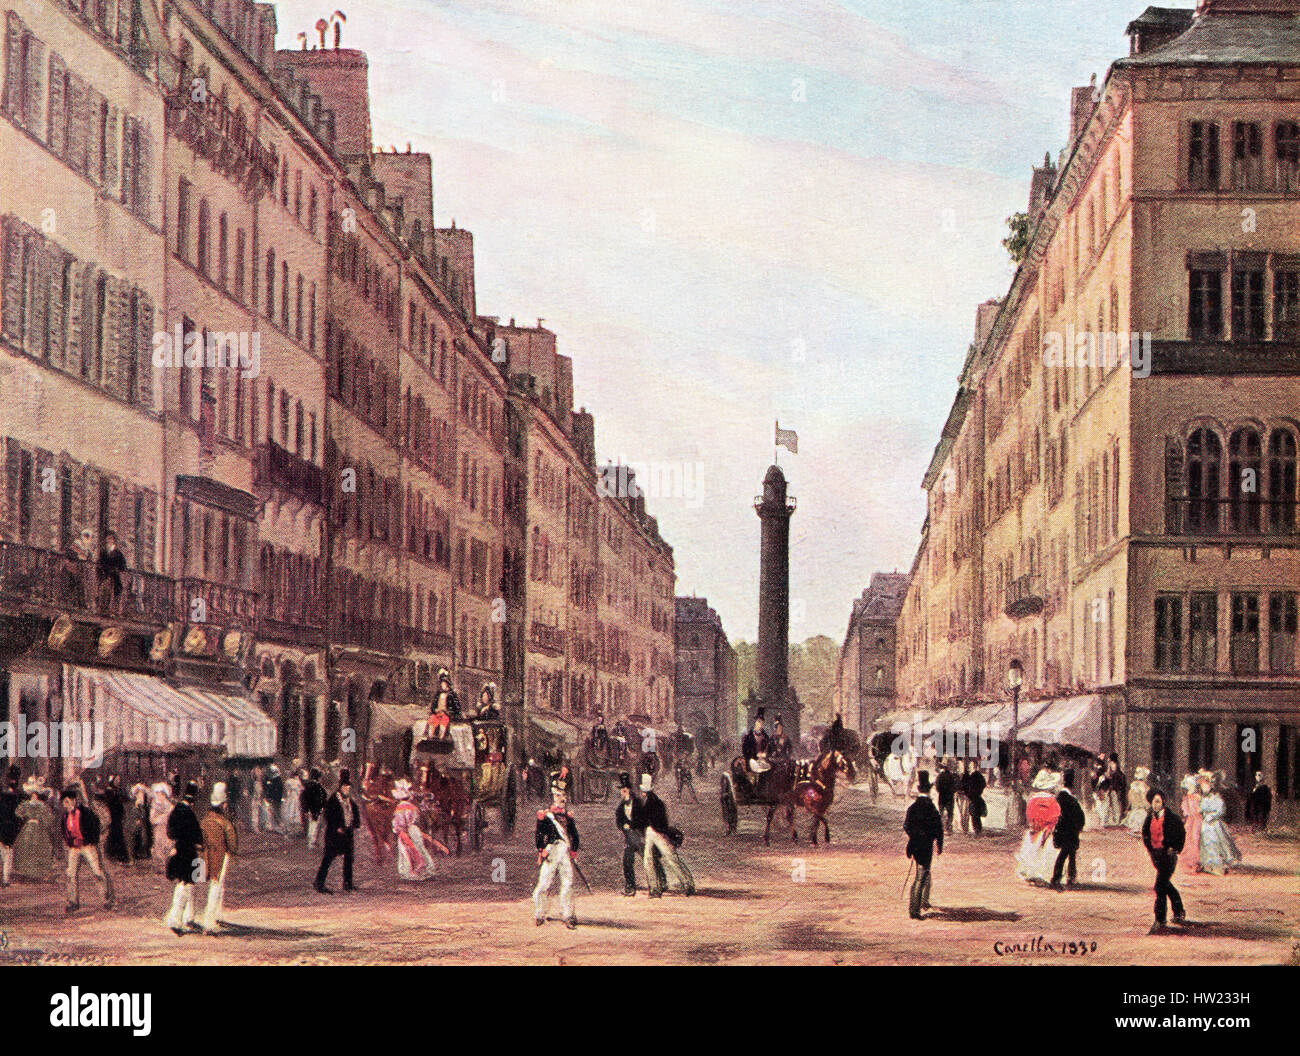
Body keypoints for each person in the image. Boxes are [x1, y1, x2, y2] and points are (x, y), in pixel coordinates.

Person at [533, 772, 580, 928]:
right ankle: (540, 913)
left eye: (564, 795)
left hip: (565, 852)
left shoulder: (568, 817)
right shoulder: (546, 817)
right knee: (544, 883)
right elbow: (539, 835)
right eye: (559, 795)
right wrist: (541, 850)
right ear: (553, 797)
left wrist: (574, 850)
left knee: (568, 882)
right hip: (552, 851)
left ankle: (568, 914)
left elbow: (574, 835)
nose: (563, 799)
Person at [60, 786, 115, 912]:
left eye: (67, 801)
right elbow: (64, 831)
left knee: (97, 872)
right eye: (64, 802)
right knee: (70, 874)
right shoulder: (65, 817)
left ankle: (106, 899)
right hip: (74, 848)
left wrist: (90, 842)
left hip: (87, 846)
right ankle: (73, 901)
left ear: (74, 801)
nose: (65, 805)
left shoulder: (85, 813)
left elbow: (95, 827)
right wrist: (70, 842)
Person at [640, 773, 693, 897]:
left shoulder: (653, 803)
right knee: (656, 859)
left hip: (657, 832)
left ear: (645, 791)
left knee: (667, 859)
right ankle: (657, 888)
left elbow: (655, 822)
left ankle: (657, 888)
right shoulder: (654, 801)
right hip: (652, 832)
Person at [1141, 788, 1186, 934]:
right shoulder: (1149, 817)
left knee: (1159, 886)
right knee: (1165, 884)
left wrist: (1174, 848)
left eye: (1158, 802)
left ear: (1163, 802)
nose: (1155, 805)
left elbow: (1181, 833)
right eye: (1153, 802)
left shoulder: (1171, 818)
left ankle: (1160, 920)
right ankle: (1179, 910)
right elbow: (1145, 833)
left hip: (1168, 856)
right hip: (1157, 856)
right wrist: (1150, 849)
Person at [615, 773, 665, 896]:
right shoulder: (621, 807)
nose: (623, 793)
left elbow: (644, 819)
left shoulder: (638, 803)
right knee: (627, 860)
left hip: (640, 836)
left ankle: (661, 881)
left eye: (625, 790)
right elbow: (619, 821)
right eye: (622, 790)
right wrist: (624, 826)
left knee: (650, 860)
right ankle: (630, 886)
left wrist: (633, 825)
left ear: (630, 790)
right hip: (630, 838)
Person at [164, 781, 204, 935]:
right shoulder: (188, 813)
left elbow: (170, 833)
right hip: (187, 852)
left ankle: (188, 917)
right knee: (186, 884)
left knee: (188, 885)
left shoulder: (175, 811)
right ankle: (175, 920)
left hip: (180, 849)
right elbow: (196, 835)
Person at [199, 782, 238, 935]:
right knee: (217, 886)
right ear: (223, 805)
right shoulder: (225, 823)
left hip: (204, 856)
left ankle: (203, 916)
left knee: (201, 885)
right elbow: (232, 844)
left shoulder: (204, 821)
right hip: (220, 856)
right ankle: (210, 920)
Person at [904, 771, 944, 920]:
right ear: (929, 790)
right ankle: (914, 910)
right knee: (921, 876)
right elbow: (938, 829)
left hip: (915, 845)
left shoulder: (912, 808)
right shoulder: (931, 808)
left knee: (923, 873)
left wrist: (913, 837)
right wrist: (938, 843)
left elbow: (906, 826)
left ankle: (923, 902)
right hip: (926, 846)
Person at [315, 769, 361, 893]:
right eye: (345, 787)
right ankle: (319, 883)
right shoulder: (333, 800)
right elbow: (328, 816)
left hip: (347, 833)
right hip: (334, 835)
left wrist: (354, 824)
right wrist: (337, 827)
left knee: (349, 859)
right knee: (328, 858)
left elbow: (354, 813)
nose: (347, 790)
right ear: (340, 787)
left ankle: (348, 883)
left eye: (348, 788)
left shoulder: (350, 801)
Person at [1015, 769, 1062, 884]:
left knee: (1031, 851)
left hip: (1034, 831)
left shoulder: (1032, 800)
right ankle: (1044, 875)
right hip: (1047, 832)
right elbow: (1055, 818)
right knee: (1046, 854)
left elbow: (1029, 816)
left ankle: (1030, 873)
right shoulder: (1053, 802)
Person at [390, 778, 436, 881]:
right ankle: (427, 870)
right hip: (414, 829)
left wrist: (397, 830)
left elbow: (398, 823)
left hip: (404, 831)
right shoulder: (413, 807)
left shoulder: (399, 808)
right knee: (419, 848)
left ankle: (407, 871)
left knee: (405, 851)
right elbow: (416, 819)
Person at [1197, 772, 1241, 875]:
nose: (1204, 789)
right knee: (1205, 843)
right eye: (1202, 787)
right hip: (1205, 824)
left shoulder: (1216, 798)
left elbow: (1221, 810)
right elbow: (1200, 809)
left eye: (1206, 786)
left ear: (1210, 786)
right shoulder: (1202, 799)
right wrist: (1202, 814)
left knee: (1218, 842)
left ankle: (1220, 863)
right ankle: (1207, 863)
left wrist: (1211, 816)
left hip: (1215, 824)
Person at [14, 778, 56, 881]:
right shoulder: (26, 804)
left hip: (38, 829)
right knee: (26, 846)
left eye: (35, 795)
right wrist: (26, 818)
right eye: (32, 795)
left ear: (37, 795)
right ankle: (26, 872)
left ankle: (38, 873)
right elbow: (18, 812)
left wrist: (41, 819)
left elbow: (48, 816)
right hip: (28, 828)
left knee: (40, 847)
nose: (34, 796)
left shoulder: (42, 805)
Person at [1050, 769, 1086, 890]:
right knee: (1066, 854)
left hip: (1066, 831)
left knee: (1069, 854)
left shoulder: (1062, 797)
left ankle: (1069, 878)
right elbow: (1076, 816)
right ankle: (1057, 879)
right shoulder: (1068, 799)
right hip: (1068, 832)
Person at [96, 776, 130, 865]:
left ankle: (116, 856)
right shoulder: (109, 790)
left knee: (116, 836)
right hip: (113, 817)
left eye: (119, 780)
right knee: (117, 836)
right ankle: (121, 858)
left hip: (118, 817)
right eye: (116, 780)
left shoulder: (118, 790)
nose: (118, 781)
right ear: (112, 780)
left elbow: (125, 798)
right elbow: (103, 798)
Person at [96, 530, 127, 615]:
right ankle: (103, 609)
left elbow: (123, 566)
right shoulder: (103, 552)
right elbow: (99, 563)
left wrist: (116, 570)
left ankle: (113, 611)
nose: (108, 541)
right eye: (107, 539)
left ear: (114, 540)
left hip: (114, 576)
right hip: (105, 575)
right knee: (103, 592)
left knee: (115, 593)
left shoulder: (118, 554)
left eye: (110, 539)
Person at [426, 669, 461, 740]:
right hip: (437, 714)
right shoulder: (438, 694)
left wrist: (448, 712)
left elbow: (457, 708)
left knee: (443, 724)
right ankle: (430, 738)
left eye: (444, 684)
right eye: (442, 683)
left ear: (447, 684)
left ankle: (441, 739)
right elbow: (433, 706)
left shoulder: (452, 695)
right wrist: (435, 710)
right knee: (432, 721)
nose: (442, 685)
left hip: (446, 715)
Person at [0, 766, 20, 886]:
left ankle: (5, 879)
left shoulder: (6, 796)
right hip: (8, 827)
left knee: (6, 854)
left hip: (6, 827)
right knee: (7, 855)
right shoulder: (15, 796)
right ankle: (5, 879)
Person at [1097, 753, 1127, 828]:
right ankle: (1109, 821)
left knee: (1113, 805)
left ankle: (1113, 821)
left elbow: (1114, 776)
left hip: (1113, 789)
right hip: (1110, 789)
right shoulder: (1112, 768)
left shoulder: (1115, 769)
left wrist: (1110, 781)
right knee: (1108, 805)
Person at [149, 780, 174, 866]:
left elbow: (172, 816)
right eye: (157, 793)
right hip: (158, 829)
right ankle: (159, 864)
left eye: (161, 794)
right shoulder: (154, 806)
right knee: (158, 844)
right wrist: (163, 817)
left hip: (167, 829)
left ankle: (167, 863)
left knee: (167, 844)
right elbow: (152, 819)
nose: (159, 795)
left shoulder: (169, 805)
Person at [301, 767, 327, 849]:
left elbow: (303, 798)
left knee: (310, 824)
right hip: (316, 808)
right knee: (314, 825)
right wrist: (322, 807)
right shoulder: (319, 787)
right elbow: (323, 798)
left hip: (309, 808)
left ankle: (310, 841)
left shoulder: (307, 786)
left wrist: (305, 809)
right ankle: (311, 842)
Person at [1122, 766, 1151, 834]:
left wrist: (1129, 807)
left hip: (1135, 809)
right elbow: (1144, 799)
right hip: (1140, 810)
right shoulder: (1144, 787)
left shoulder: (1133, 786)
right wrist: (1147, 806)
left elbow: (1130, 798)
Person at [129, 782, 152, 861]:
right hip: (138, 819)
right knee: (137, 835)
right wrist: (137, 818)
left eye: (142, 793)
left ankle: (146, 851)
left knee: (147, 834)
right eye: (139, 793)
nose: (141, 794)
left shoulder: (145, 803)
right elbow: (135, 812)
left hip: (144, 818)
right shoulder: (136, 803)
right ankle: (136, 853)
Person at [935, 760, 957, 834]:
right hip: (950, 796)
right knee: (950, 812)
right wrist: (952, 791)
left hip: (942, 795)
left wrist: (940, 791)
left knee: (941, 811)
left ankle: (941, 827)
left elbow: (937, 786)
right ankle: (948, 827)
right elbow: (955, 787)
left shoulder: (940, 776)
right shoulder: (952, 776)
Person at [263, 763, 285, 834]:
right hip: (274, 798)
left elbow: (279, 790)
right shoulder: (273, 780)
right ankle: (275, 827)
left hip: (276, 798)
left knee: (277, 813)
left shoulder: (277, 780)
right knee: (273, 812)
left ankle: (279, 827)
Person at [283, 764, 303, 834]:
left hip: (291, 796)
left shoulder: (288, 781)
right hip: (295, 796)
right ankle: (293, 828)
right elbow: (300, 789)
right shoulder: (297, 782)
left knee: (291, 809)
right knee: (294, 809)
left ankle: (291, 828)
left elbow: (287, 790)